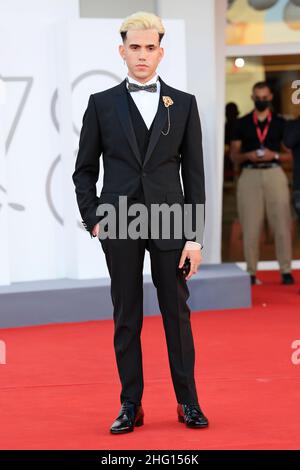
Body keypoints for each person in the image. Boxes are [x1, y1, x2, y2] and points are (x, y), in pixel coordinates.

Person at [72, 11, 208, 434]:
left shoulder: (184, 104)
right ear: (122, 51)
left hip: (170, 221)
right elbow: (84, 170)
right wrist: (95, 219)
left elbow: (196, 175)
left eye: (150, 48)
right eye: (135, 47)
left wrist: (195, 237)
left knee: (176, 315)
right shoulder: (101, 103)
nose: (142, 55)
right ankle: (131, 404)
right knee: (126, 314)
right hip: (119, 221)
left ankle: (188, 402)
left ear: (161, 52)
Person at [230, 81, 294, 286]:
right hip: (249, 175)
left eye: (264, 97)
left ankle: (285, 269)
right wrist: (247, 155)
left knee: (282, 223)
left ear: (271, 98)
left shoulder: (281, 123)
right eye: (258, 97)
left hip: (275, 173)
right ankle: (251, 271)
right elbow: (234, 156)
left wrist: (273, 154)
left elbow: (291, 156)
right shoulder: (242, 123)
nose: (261, 101)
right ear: (252, 98)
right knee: (250, 225)